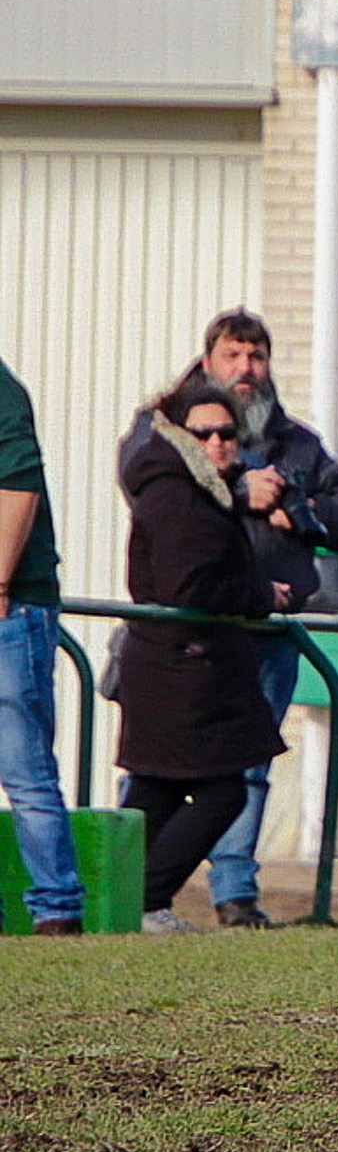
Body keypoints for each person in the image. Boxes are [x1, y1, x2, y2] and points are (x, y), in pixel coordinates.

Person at [120, 309, 338, 926]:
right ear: (208, 362)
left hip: (265, 636)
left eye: (257, 357)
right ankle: (128, 893)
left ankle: (234, 895)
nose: (246, 370)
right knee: (163, 779)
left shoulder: (296, 442)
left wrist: (298, 510)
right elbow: (158, 502)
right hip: (191, 639)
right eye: (234, 356)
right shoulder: (165, 435)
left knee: (247, 772)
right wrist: (237, 493)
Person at [116, 386, 288, 933]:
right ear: (177, 435)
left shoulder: (197, 489)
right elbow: (187, 583)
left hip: (179, 666)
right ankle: (142, 900)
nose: (217, 442)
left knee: (155, 790)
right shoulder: (172, 490)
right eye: (204, 433)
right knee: (222, 791)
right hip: (180, 668)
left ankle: (113, 901)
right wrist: (261, 595)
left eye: (227, 433)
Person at [0, 357, 84, 936]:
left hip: (14, 605)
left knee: (25, 769)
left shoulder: (3, 394)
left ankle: (56, 908)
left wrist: (0, 582)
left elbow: (18, 484)